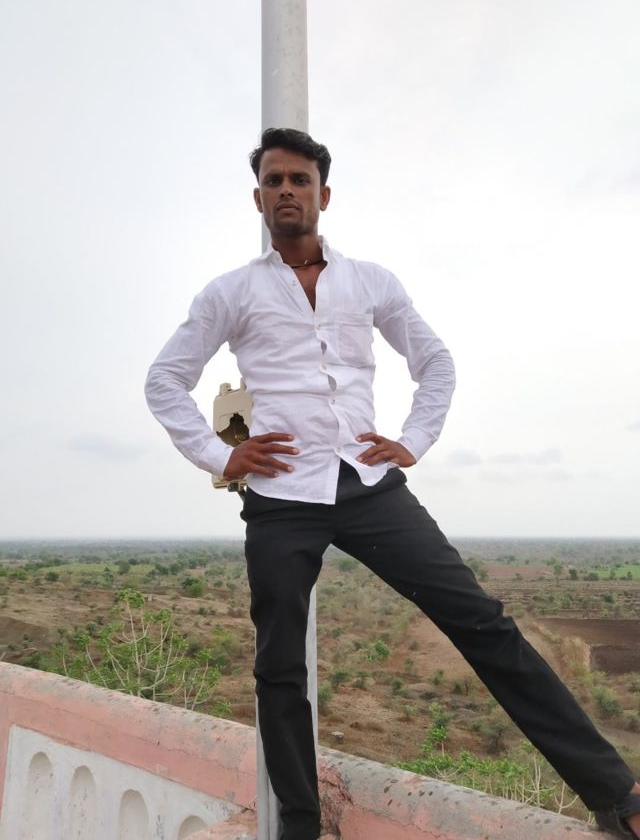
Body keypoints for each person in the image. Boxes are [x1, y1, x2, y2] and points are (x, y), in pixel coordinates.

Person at [145, 127, 640, 840]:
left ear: (324, 195)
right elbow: (165, 378)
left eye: (300, 180)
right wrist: (219, 457)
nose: (287, 190)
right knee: (279, 666)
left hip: (369, 485)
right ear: (258, 198)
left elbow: (435, 362)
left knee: (482, 622)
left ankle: (616, 794)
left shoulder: (371, 281)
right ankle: (301, 825)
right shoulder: (231, 292)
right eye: (274, 180)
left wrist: (414, 439)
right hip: (282, 497)